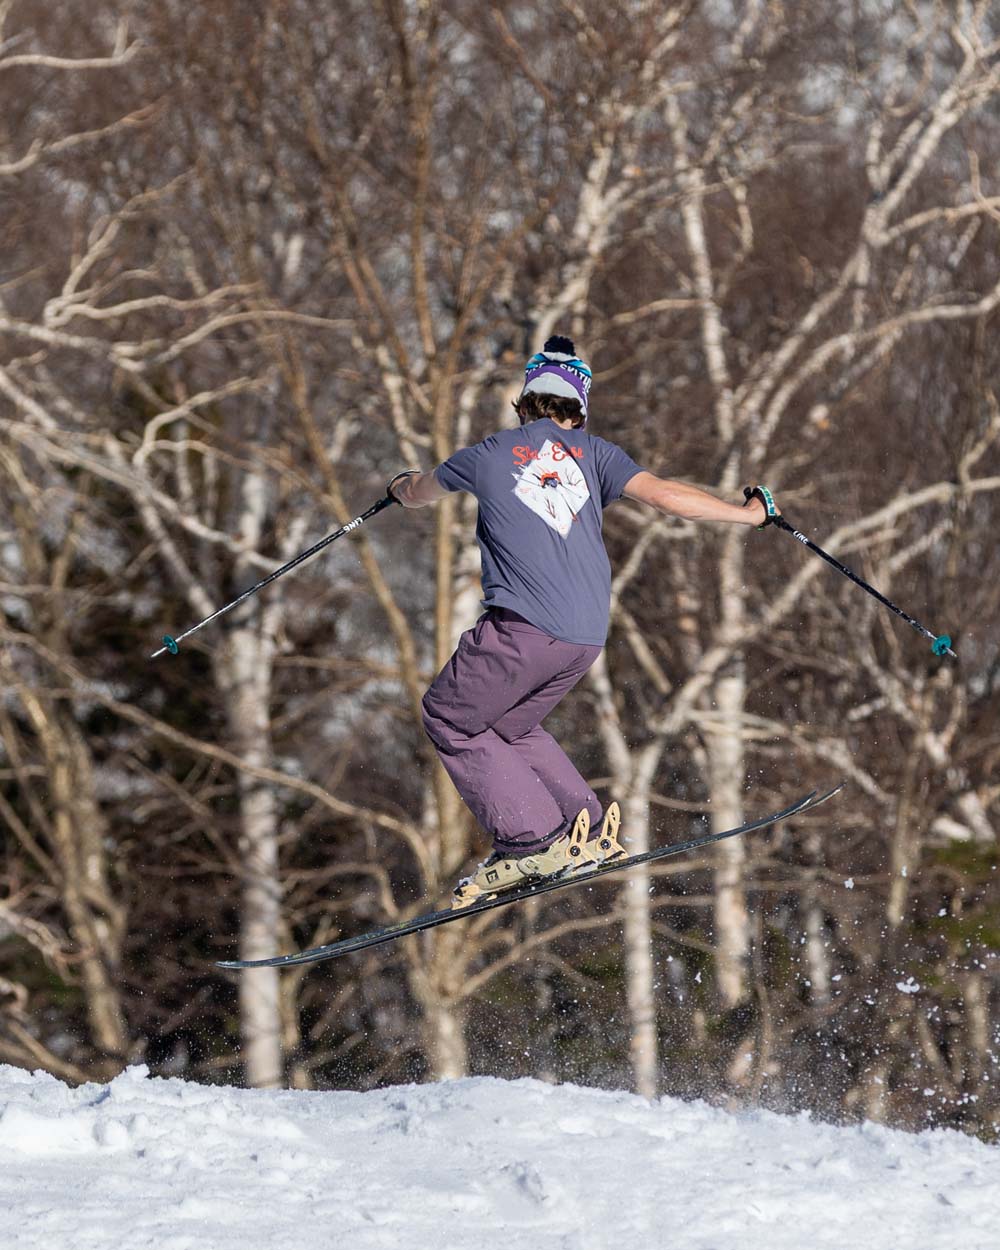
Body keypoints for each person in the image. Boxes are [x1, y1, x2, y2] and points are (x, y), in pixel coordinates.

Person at [388, 336, 778, 906]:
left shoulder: (488, 453)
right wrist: (747, 514)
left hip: (521, 629)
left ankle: (533, 839)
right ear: (578, 411)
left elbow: (419, 492)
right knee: (510, 726)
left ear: (525, 403)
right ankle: (584, 829)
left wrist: (399, 486)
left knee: (449, 716)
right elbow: (669, 496)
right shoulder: (598, 456)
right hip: (584, 637)